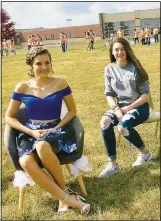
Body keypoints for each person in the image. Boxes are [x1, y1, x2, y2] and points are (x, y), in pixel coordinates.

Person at [5, 47, 90, 215]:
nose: (44, 67)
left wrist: (55, 127)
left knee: (43, 146)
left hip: (56, 129)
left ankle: (63, 198)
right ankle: (68, 197)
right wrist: (30, 132)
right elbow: (9, 117)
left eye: (47, 62)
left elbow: (72, 111)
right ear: (30, 65)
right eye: (39, 63)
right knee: (25, 162)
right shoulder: (22, 87)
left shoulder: (60, 83)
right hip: (30, 132)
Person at [98, 37, 152, 178]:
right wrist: (116, 108)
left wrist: (127, 110)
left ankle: (146, 154)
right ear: (112, 52)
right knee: (105, 122)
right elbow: (108, 94)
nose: (120, 52)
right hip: (120, 106)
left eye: (123, 49)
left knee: (123, 127)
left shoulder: (136, 68)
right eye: (116, 49)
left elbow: (145, 95)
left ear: (127, 51)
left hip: (140, 107)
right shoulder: (109, 69)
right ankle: (113, 165)